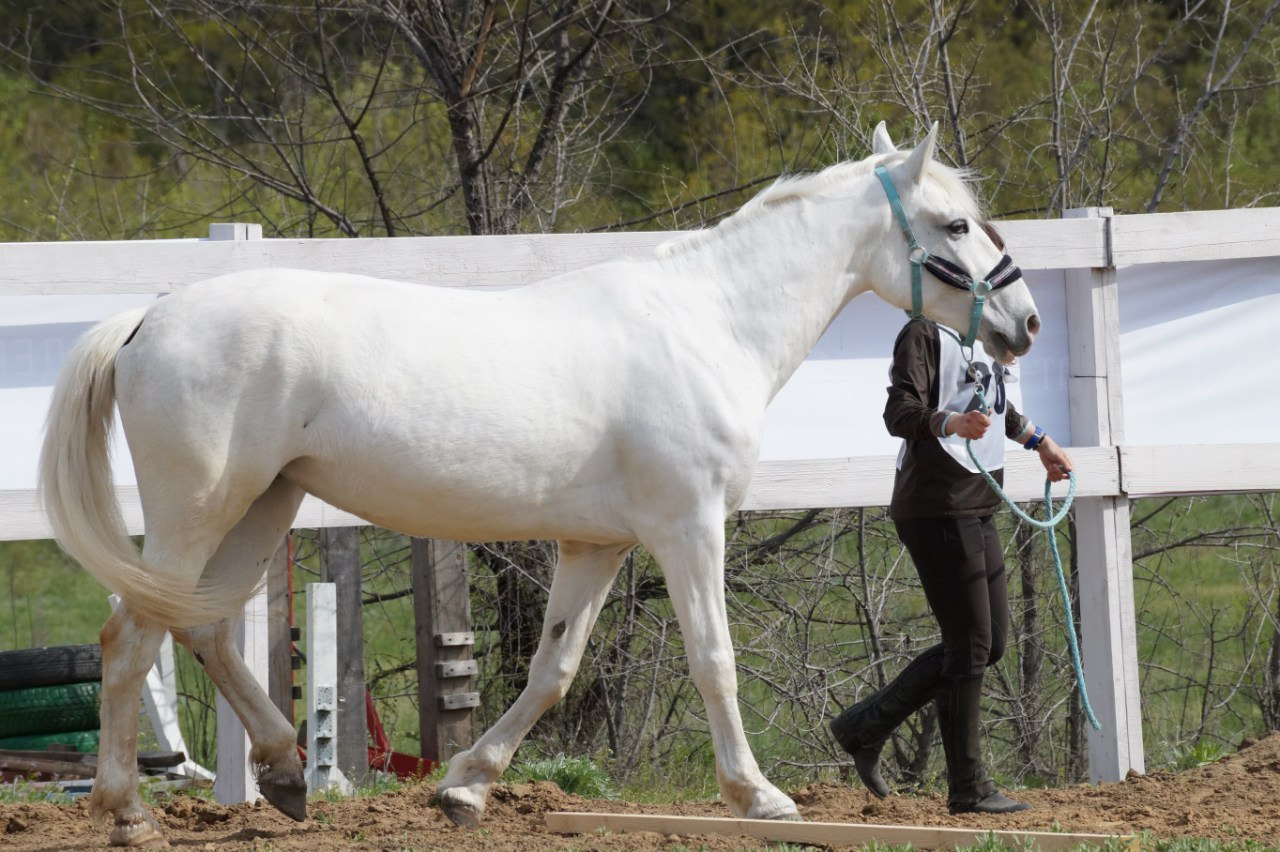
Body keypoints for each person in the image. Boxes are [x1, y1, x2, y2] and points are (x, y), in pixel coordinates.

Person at [830, 315, 1074, 814]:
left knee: (991, 645)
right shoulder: (923, 333)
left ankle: (864, 727)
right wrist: (949, 422)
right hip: (935, 504)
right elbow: (900, 412)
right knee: (971, 645)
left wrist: (1040, 442)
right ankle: (967, 787)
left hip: (978, 502)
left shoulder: (985, 336)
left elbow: (995, 408)